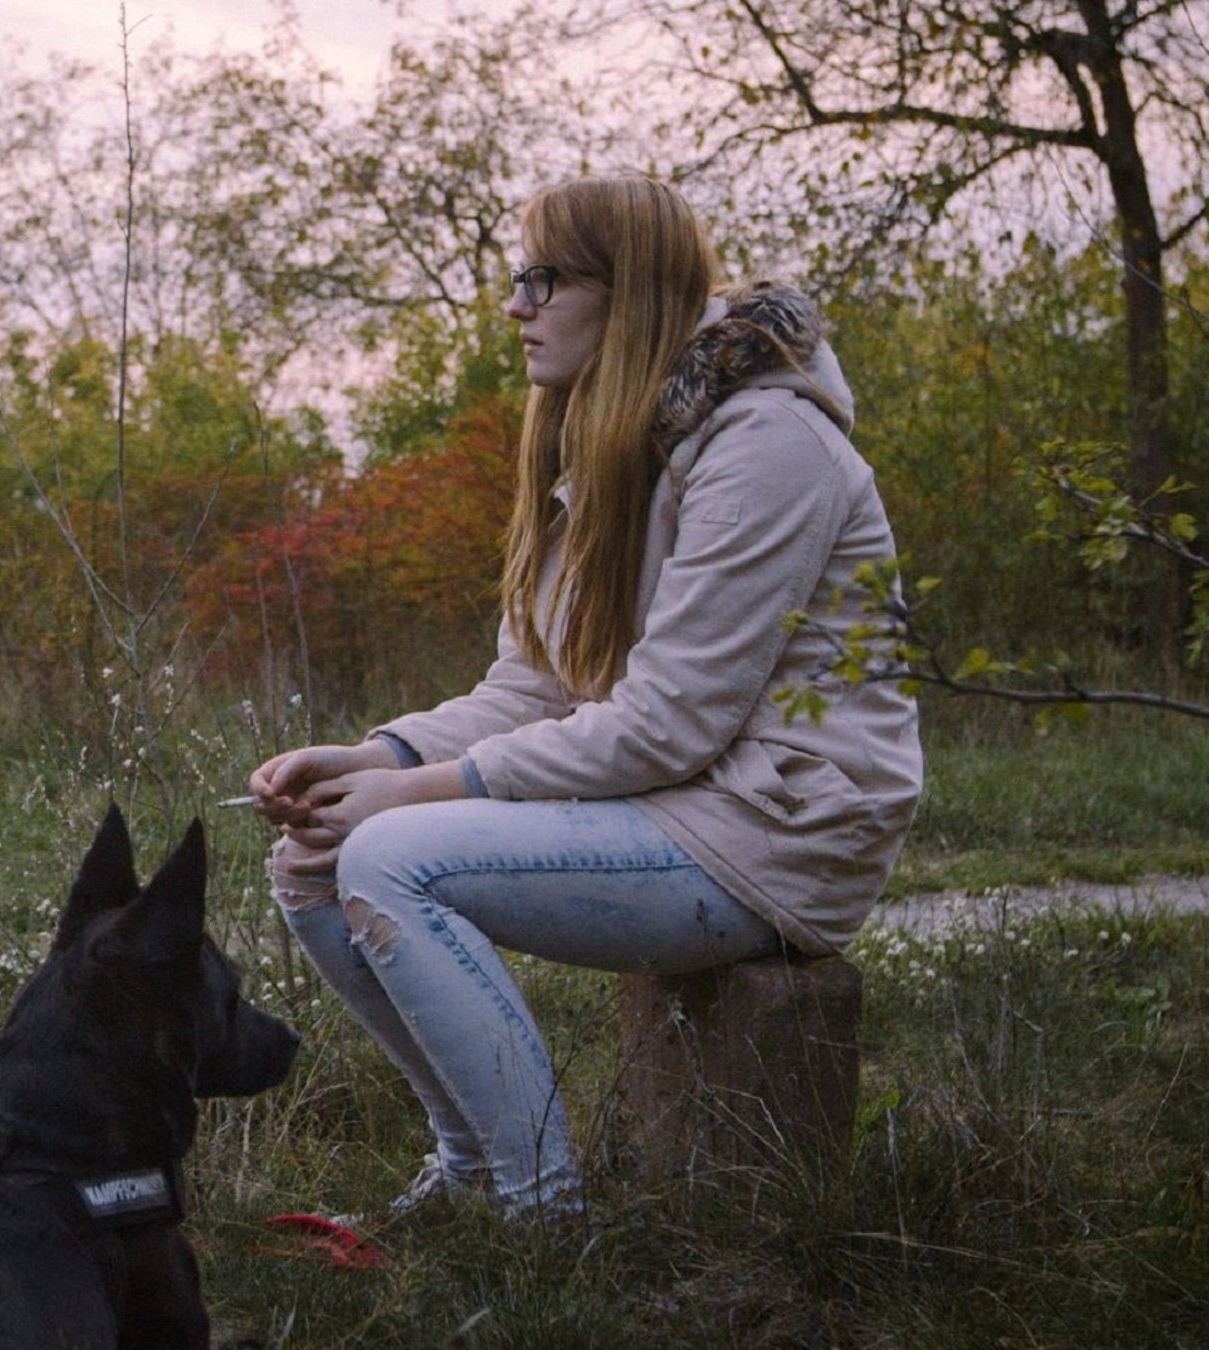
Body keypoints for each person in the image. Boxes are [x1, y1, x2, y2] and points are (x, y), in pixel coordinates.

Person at [247, 175, 922, 1222]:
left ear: (632, 290)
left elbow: (670, 721)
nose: (516, 307)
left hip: (780, 826)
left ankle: (540, 1210)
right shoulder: (603, 441)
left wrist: (418, 798)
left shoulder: (766, 444)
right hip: (680, 802)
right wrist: (376, 759)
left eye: (542, 280)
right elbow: (534, 686)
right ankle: (469, 1168)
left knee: (390, 856)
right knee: (314, 858)